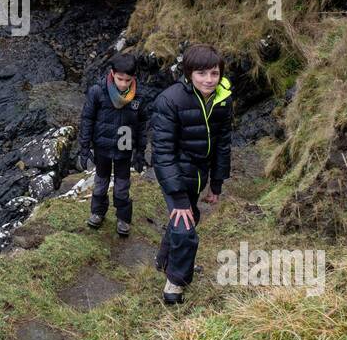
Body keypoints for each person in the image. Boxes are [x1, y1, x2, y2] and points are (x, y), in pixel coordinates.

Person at [151, 43, 233, 304]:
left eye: (214, 73)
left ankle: (164, 260)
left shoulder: (222, 99)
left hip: (198, 174)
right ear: (188, 73)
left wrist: (216, 183)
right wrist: (177, 197)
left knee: (190, 217)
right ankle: (175, 285)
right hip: (173, 174)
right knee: (185, 227)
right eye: (201, 74)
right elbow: (162, 153)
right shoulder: (169, 100)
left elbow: (222, 143)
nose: (209, 80)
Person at [78, 52, 147, 237]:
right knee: (101, 182)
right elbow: (87, 119)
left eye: (127, 79)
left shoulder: (139, 96)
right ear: (112, 73)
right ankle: (98, 212)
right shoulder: (97, 91)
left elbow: (142, 125)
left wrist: (140, 151)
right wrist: (84, 148)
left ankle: (123, 218)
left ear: (134, 77)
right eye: (119, 79)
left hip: (125, 148)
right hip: (102, 146)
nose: (123, 83)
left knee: (122, 184)